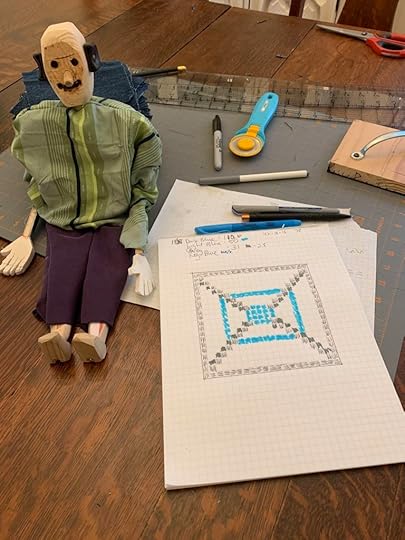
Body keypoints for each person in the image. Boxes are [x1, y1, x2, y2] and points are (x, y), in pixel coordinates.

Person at [0, 22, 162, 364]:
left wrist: (138, 248)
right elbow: (36, 176)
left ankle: (95, 336)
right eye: (54, 65)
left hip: (113, 220)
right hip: (63, 220)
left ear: (91, 59)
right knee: (61, 268)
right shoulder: (32, 125)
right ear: (43, 70)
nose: (66, 75)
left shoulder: (129, 123)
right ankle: (58, 333)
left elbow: (143, 186)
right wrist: (33, 224)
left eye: (73, 61)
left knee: (106, 268)